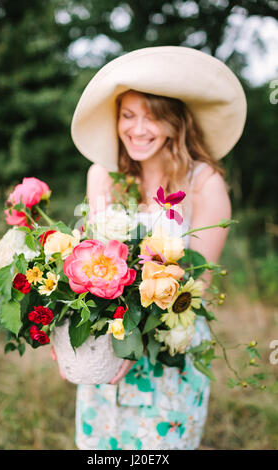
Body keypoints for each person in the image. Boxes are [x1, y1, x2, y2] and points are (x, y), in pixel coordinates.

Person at [60, 46, 247, 450]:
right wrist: (64, 337)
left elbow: (197, 287)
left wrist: (137, 340)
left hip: (168, 355)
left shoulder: (204, 182)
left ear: (174, 122)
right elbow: (90, 270)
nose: (138, 128)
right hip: (108, 353)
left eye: (152, 115)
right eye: (128, 115)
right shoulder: (103, 177)